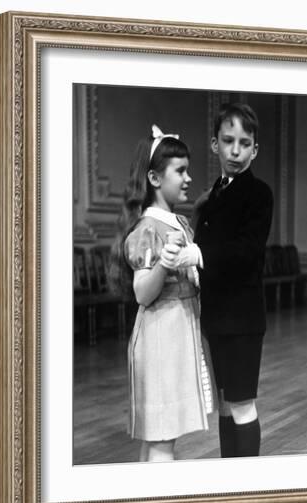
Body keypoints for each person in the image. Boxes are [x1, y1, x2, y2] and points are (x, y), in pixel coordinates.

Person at [110, 125, 216, 462]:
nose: (188, 178)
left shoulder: (178, 223)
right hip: (160, 339)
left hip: (178, 333)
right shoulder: (148, 229)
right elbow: (142, 293)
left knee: (159, 438)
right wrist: (164, 264)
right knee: (161, 440)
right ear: (155, 179)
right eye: (180, 171)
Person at [193, 103, 274, 458]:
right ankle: (231, 480)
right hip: (215, 318)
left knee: (242, 405)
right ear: (215, 145)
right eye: (228, 141)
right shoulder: (213, 194)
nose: (236, 151)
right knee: (225, 405)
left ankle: (248, 488)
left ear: (255, 149)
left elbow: (247, 252)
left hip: (242, 321)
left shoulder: (259, 195)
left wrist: (199, 255)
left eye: (244, 143)